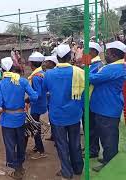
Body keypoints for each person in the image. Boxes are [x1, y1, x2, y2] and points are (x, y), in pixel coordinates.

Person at [0, 57, 38, 180]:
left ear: (2, 69)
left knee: (9, 144)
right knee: (21, 142)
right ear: (13, 68)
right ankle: (20, 165)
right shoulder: (22, 81)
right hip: (20, 118)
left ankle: (12, 168)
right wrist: (26, 101)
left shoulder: (1, 83)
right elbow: (34, 96)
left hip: (7, 119)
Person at [43, 44, 84, 179]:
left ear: (57, 58)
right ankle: (78, 168)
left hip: (57, 115)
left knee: (61, 145)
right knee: (75, 142)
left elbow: (45, 90)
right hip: (74, 113)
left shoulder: (49, 74)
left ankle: (66, 171)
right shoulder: (79, 71)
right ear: (69, 56)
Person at [90, 41, 126, 172]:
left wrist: (83, 69)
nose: (106, 55)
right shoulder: (112, 66)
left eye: (108, 53)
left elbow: (92, 78)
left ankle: (110, 162)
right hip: (105, 107)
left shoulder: (112, 68)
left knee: (109, 137)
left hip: (107, 109)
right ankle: (107, 157)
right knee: (106, 136)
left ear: (115, 55)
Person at [27, 52, 47, 160]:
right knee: (36, 125)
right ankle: (37, 146)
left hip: (37, 105)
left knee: (35, 127)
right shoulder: (42, 73)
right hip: (42, 103)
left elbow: (37, 94)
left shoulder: (35, 77)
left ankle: (41, 150)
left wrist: (28, 99)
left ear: (32, 64)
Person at [87, 42, 104, 159]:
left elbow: (88, 78)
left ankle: (93, 150)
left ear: (93, 52)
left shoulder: (97, 65)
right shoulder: (92, 62)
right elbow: (83, 65)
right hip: (89, 98)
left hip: (92, 99)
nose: (84, 53)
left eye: (87, 50)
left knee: (92, 126)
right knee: (89, 125)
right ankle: (90, 147)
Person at [42, 56, 58, 142]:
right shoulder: (50, 72)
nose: (44, 64)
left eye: (47, 62)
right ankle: (54, 135)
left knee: (54, 118)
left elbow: (44, 88)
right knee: (51, 117)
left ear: (52, 63)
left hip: (53, 99)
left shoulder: (50, 73)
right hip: (51, 99)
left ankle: (56, 137)